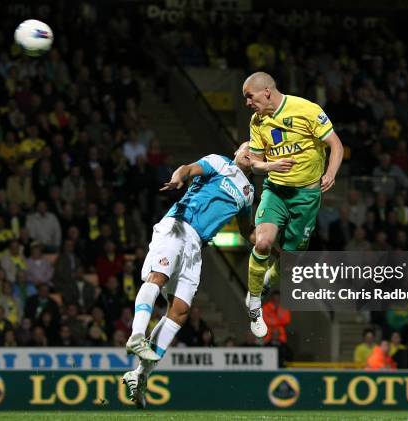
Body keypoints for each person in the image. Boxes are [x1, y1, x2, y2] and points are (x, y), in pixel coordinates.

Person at [122, 142, 289, 408]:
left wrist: (274, 248)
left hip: (197, 246)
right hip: (178, 225)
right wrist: (179, 177)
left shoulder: (248, 194)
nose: (250, 153)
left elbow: (249, 232)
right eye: (247, 148)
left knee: (180, 311)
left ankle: (139, 375)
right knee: (158, 276)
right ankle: (137, 335)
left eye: (256, 153)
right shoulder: (221, 162)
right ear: (237, 151)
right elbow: (189, 169)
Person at [242, 72, 344, 337]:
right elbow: (254, 163)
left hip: (306, 198)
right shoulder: (257, 121)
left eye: (249, 97)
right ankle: (255, 303)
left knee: (288, 263)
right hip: (276, 190)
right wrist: (270, 165)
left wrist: (331, 173)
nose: (248, 103)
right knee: (262, 242)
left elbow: (335, 145)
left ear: (266, 91)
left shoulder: (307, 110)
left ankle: (265, 281)